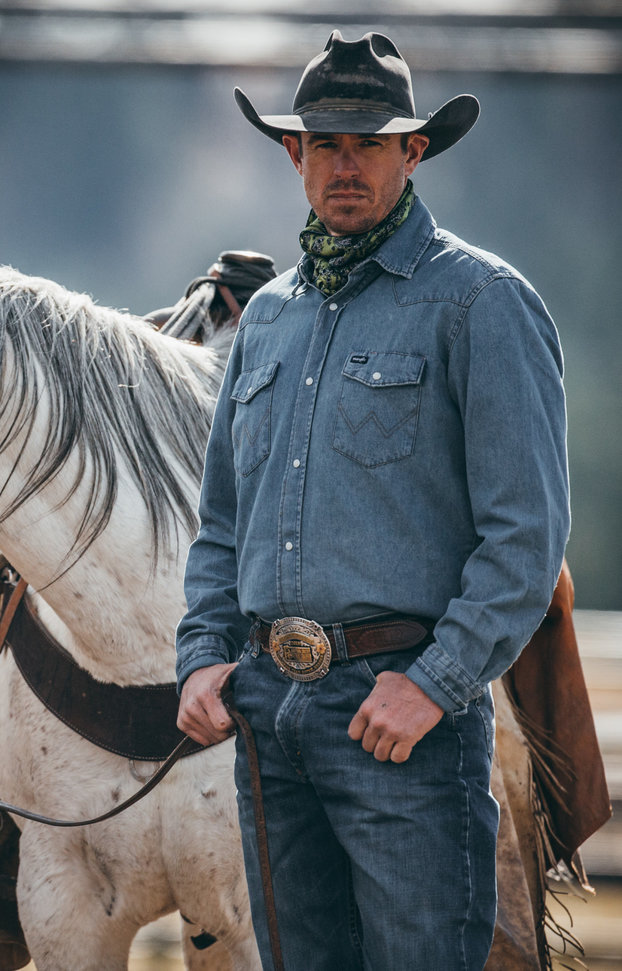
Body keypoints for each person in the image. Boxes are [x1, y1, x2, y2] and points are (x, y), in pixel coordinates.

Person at [176, 30, 569, 971]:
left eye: (368, 142)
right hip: (268, 715)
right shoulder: (267, 318)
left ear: (414, 151)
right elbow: (223, 524)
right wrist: (199, 656)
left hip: (402, 717)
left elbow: (526, 537)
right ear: (293, 154)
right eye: (324, 143)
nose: (343, 164)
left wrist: (434, 684)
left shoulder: (481, 304)